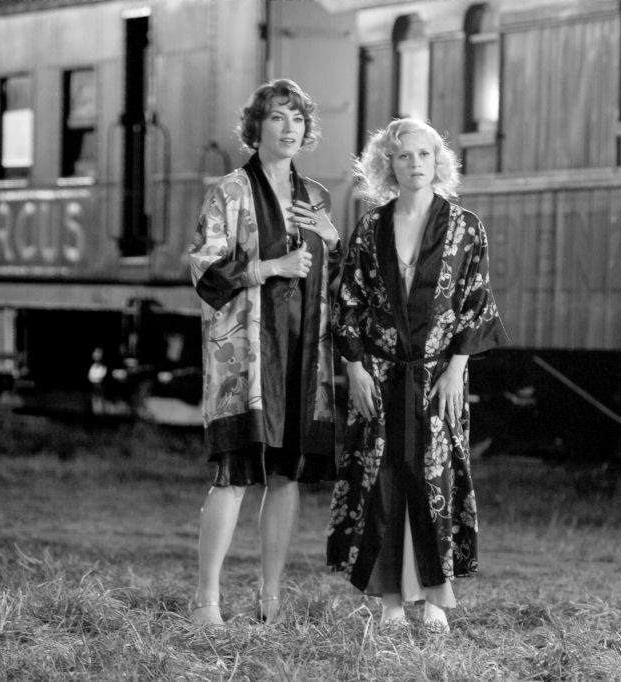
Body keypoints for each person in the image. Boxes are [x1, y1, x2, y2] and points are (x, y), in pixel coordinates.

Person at [328, 118, 508, 633]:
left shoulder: (466, 227)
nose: (415, 164)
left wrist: (456, 370)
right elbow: (349, 301)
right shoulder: (371, 226)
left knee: (436, 478)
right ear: (388, 164)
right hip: (380, 375)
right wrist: (355, 368)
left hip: (438, 377)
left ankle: (434, 599)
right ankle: (390, 601)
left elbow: (476, 302)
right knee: (382, 481)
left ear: (438, 161)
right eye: (404, 156)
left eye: (424, 154)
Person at [186, 79, 340, 626]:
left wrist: (333, 241)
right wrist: (271, 267)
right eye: (278, 117)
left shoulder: (316, 197)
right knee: (234, 474)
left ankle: (270, 599)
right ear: (257, 127)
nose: (289, 127)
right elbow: (204, 269)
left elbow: (339, 283)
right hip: (245, 358)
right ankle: (206, 599)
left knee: (286, 475)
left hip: (302, 354)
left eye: (298, 118)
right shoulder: (229, 191)